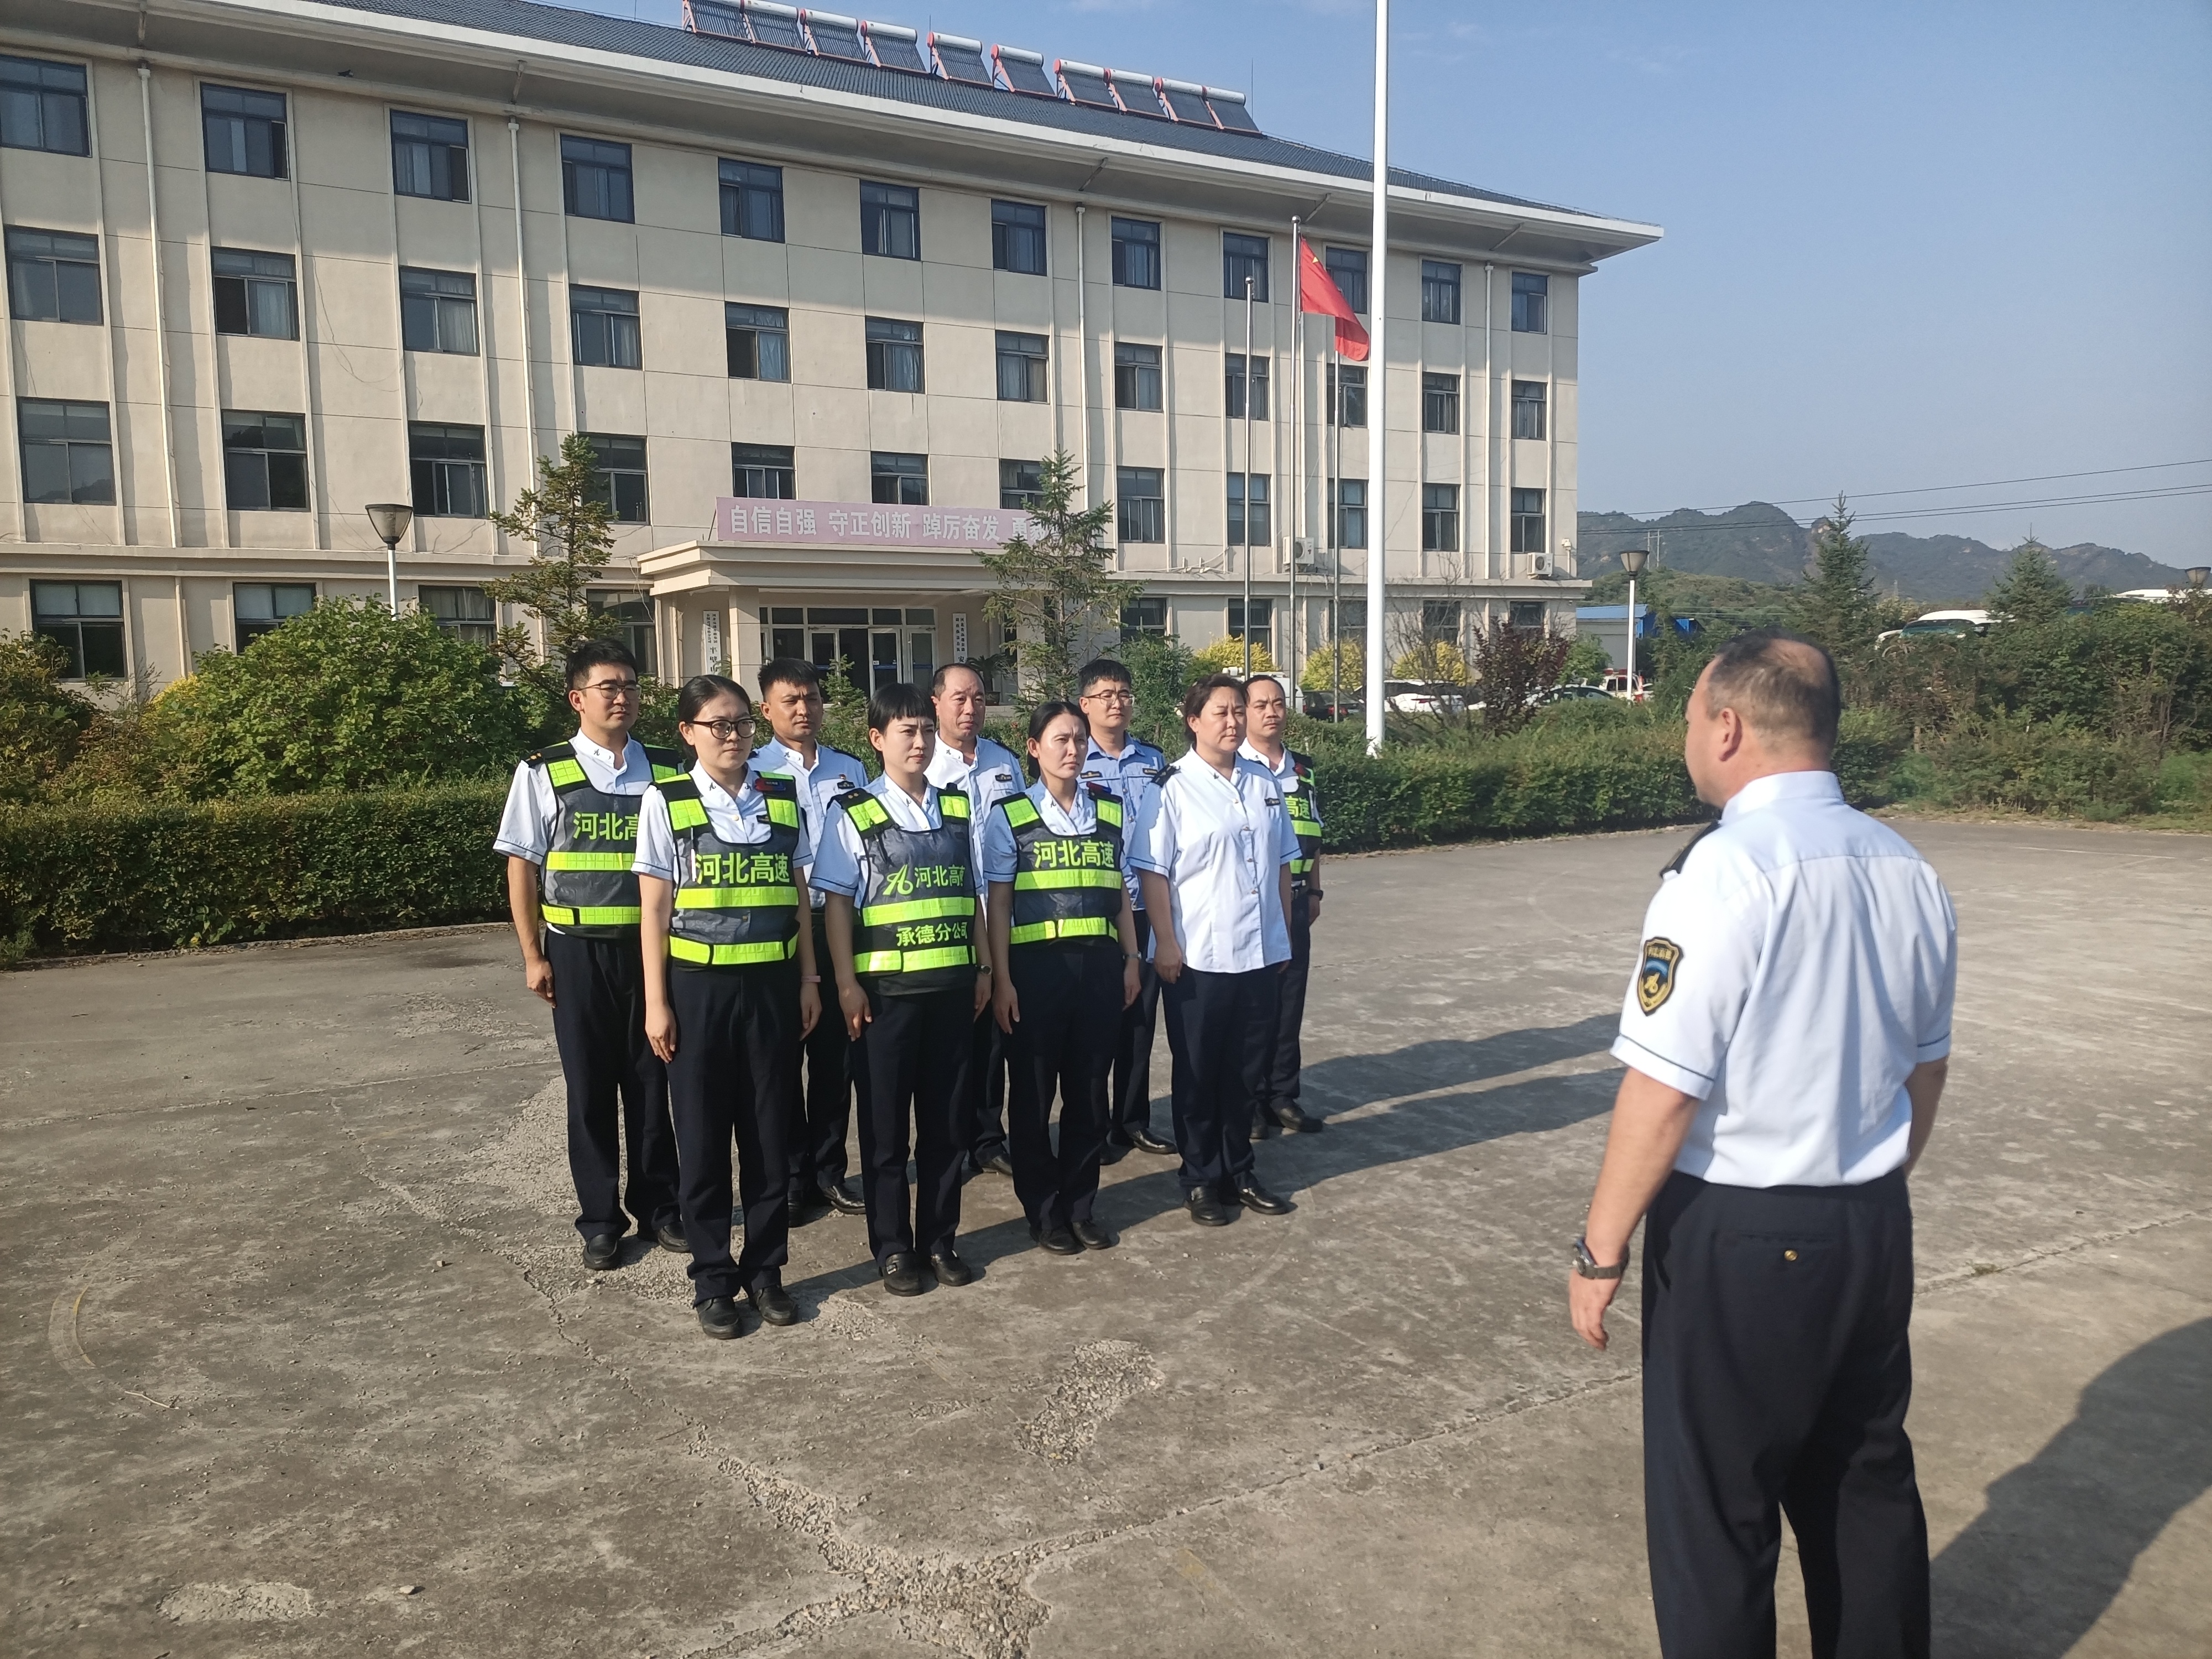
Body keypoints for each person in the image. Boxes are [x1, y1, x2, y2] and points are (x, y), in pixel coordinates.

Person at [1568, 630, 1957, 1659]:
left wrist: (1600, 1251)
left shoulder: (1724, 873)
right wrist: (1869, 1182)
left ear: (1729, 728)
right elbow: (1927, 1068)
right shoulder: (1907, 867)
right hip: (1872, 1221)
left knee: (1716, 1516)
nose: (1688, 736)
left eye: (1692, 716)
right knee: (1864, 1491)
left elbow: (1663, 1092)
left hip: (1741, 1237)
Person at [494, 639, 690, 1270]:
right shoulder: (543, 771)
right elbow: (522, 867)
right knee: (590, 1089)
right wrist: (533, 955)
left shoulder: (669, 768)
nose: (622, 697)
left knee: (653, 1082)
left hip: (654, 953)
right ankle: (601, 1221)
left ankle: (660, 1207)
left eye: (630, 685)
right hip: (578, 953)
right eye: (609, 687)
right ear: (578, 699)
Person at [634, 676, 817, 1340]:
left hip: (771, 988)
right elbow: (654, 911)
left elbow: (799, 894)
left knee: (769, 1138)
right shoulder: (666, 801)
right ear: (688, 733)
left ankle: (765, 1272)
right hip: (698, 991)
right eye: (718, 724)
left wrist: (809, 979)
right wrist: (657, 1003)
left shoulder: (783, 797)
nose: (733, 735)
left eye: (741, 723)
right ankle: (713, 1280)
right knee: (705, 1140)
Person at [812, 682, 993, 1296]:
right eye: (906, 731)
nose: (920, 742)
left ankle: (939, 1240)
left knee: (946, 1127)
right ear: (877, 739)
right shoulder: (854, 812)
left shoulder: (957, 808)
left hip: (951, 992)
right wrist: (846, 985)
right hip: (886, 998)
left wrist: (984, 969)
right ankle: (892, 1248)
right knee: (886, 1133)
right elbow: (838, 905)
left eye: (926, 730)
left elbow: (972, 895)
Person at [1130, 672, 1300, 1228]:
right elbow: (1153, 873)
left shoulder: (1263, 781)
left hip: (1258, 953)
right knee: (1200, 1072)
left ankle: (1239, 1171)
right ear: (1192, 720)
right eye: (1220, 713)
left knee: (1245, 1071)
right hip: (1199, 957)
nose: (1232, 722)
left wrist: (1281, 934)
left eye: (1237, 711)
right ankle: (1201, 1177)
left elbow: (1282, 863)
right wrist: (1165, 942)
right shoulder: (1171, 787)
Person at [983, 701, 1144, 1255]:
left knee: (1089, 1093)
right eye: (1060, 740)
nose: (1073, 749)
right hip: (1035, 972)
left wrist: (1131, 958)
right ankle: (1044, 1211)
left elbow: (1119, 891)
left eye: (1079, 739)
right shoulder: (1009, 816)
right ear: (1034, 749)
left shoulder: (1110, 810)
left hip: (1098, 970)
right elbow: (998, 904)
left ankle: (1080, 1206)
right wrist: (1001, 979)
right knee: (1032, 1096)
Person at [752, 658, 871, 1221]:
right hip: (781, 928)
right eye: (791, 701)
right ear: (766, 709)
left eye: (813, 699)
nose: (804, 710)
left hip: (839, 925)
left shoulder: (849, 769)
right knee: (780, 1058)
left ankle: (829, 1172)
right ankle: (790, 1177)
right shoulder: (750, 770)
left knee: (835, 1058)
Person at [924, 662, 1025, 1180]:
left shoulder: (1005, 763)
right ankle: (950, 1142)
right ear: (937, 703)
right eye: (960, 699)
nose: (971, 708)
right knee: (950, 1037)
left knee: (993, 1036)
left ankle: (988, 1137)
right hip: (950, 918)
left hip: (1001, 915)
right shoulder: (923, 764)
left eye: (980, 698)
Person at [1075, 657, 1175, 1161]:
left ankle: (1132, 1121)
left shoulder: (1153, 761)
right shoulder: (1074, 758)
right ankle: (1092, 1127)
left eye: (1124, 694)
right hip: (1097, 908)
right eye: (1106, 695)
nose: (1117, 703)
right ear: (1085, 704)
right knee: (1097, 1024)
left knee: (1140, 1021)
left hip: (1145, 905)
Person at [1240, 673, 1326, 1137]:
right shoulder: (1239, 769)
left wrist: (1314, 891)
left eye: (1278, 703)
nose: (1272, 712)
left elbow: (1314, 833)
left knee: (1291, 1002)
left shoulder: (1303, 769)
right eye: (1261, 705)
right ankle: (1251, 1100)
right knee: (1256, 1007)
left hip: (1295, 901)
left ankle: (1282, 1095)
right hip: (1255, 905)